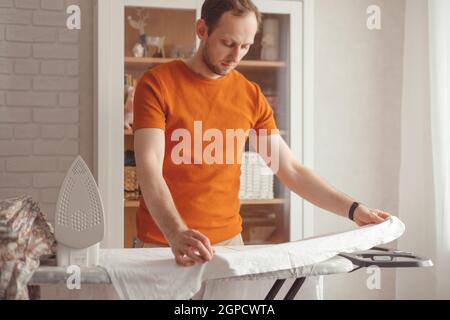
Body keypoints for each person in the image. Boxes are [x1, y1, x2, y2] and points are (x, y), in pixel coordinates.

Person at [133, 0, 390, 267]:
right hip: (162, 242)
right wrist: (176, 232)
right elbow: (149, 168)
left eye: (245, 46)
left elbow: (291, 170)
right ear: (202, 29)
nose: (236, 56)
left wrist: (353, 209)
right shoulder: (157, 84)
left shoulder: (250, 95)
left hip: (229, 246)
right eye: (228, 43)